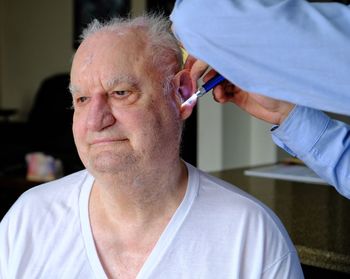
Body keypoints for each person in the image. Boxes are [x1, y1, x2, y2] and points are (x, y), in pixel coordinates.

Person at [0, 15, 304, 278]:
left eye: (120, 92)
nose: (95, 121)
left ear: (181, 94)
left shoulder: (251, 236)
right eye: (81, 100)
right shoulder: (28, 219)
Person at [170, 0, 350, 197]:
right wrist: (286, 114)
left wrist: (199, 34)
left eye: (129, 92)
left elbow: (198, 18)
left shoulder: (249, 220)